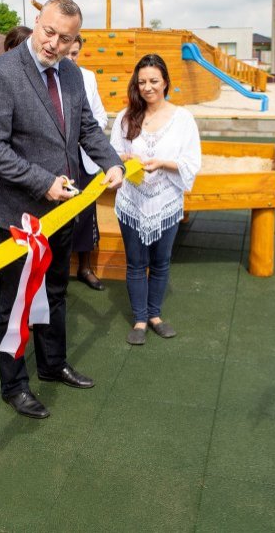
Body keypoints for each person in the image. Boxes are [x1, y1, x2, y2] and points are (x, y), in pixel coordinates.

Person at [0, 0, 124, 419]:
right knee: (16, 302)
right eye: (49, 32)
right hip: (17, 213)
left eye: (66, 38)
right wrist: (43, 182)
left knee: (55, 290)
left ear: (77, 41)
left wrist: (112, 163)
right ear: (36, 22)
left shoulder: (71, 75)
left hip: (61, 210)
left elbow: (87, 129)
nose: (54, 44)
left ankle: (53, 365)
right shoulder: (2, 75)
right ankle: (14, 384)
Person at [110, 54, 201, 346]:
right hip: (133, 200)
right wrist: (127, 158)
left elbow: (191, 161)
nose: (148, 87)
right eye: (142, 82)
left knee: (161, 262)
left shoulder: (183, 119)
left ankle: (155, 315)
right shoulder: (126, 116)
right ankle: (139, 319)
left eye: (153, 81)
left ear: (165, 83)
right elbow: (112, 154)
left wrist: (163, 163)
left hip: (166, 200)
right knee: (136, 263)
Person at [67, 34, 109, 290]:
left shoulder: (88, 78)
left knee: (85, 214)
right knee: (58, 215)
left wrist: (86, 133)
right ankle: (56, 271)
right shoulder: (48, 76)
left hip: (84, 158)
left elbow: (100, 116)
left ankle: (85, 267)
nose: (71, 58)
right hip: (58, 160)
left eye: (75, 54)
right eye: (67, 53)